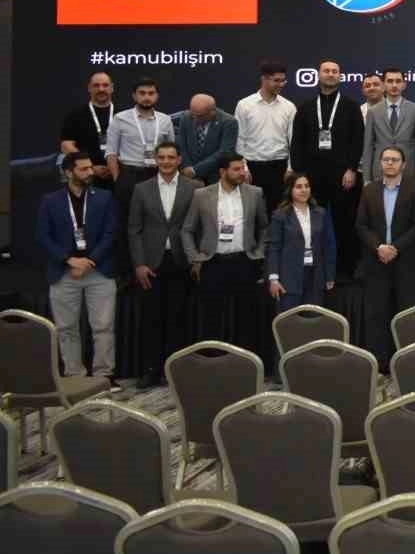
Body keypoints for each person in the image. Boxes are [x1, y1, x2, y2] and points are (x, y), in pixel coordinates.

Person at [38, 152, 119, 378]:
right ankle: (75, 376)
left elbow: (111, 233)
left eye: (90, 167)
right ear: (68, 172)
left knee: (103, 326)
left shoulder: (104, 197)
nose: (90, 172)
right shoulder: (50, 201)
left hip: (99, 270)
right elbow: (43, 237)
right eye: (83, 169)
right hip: (64, 271)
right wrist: (69, 259)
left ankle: (104, 375)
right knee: (66, 328)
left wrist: (89, 261)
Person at [181, 151, 269, 349]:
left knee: (246, 319)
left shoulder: (255, 193)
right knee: (211, 320)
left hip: (244, 261)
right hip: (213, 263)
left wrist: (259, 253)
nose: (242, 173)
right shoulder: (202, 194)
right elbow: (187, 229)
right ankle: (213, 361)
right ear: (222, 172)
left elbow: (264, 227)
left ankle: (246, 362)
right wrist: (195, 258)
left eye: (243, 168)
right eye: (236, 169)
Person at [354, 145, 415, 372]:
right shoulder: (369, 190)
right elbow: (361, 225)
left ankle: (407, 364)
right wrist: (379, 247)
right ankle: (380, 365)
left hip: (405, 261)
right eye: (386, 159)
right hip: (376, 261)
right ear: (380, 163)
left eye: (394, 160)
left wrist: (395, 248)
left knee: (406, 314)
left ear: (403, 165)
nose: (389, 163)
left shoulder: (414, 189)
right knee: (376, 314)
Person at [127, 141, 195, 385]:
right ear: (156, 160)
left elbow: (198, 225)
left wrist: (196, 259)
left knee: (179, 318)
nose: (166, 162)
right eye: (162, 157)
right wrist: (139, 264)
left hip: (181, 261)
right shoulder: (141, 189)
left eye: (171, 157)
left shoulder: (194, 187)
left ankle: (175, 371)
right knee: (151, 318)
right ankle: (150, 369)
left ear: (179, 160)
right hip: (151, 264)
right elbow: (134, 230)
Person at [289, 60, 363, 278]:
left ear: (340, 76)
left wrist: (351, 169)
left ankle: (345, 270)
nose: (331, 74)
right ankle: (314, 269)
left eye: (335, 71)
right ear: (319, 75)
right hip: (312, 178)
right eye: (326, 71)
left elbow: (358, 141)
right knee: (312, 226)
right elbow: (297, 143)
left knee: (345, 224)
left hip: (343, 177)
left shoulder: (351, 107)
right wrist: (300, 175)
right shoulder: (305, 107)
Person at [105, 77, 174, 227]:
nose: (146, 97)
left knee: (156, 222)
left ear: (157, 96)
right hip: (129, 175)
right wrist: (118, 180)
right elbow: (111, 153)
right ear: (134, 96)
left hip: (157, 174)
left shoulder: (165, 120)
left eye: (151, 93)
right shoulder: (120, 118)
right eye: (142, 93)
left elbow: (172, 151)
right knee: (128, 222)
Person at [265, 171, 337, 315]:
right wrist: (273, 279)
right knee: (289, 322)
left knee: (313, 321)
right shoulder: (280, 215)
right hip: (289, 277)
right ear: (290, 190)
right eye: (298, 187)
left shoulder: (321, 213)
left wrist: (330, 275)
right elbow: (273, 248)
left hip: (315, 276)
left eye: (306, 186)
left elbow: (329, 246)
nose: (304, 190)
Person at [234, 61, 296, 213]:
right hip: (252, 167)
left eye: (283, 80)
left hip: (280, 168)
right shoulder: (244, 105)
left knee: (278, 213)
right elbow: (240, 139)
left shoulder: (289, 107)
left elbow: (293, 140)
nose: (281, 84)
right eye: (276, 80)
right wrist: (243, 168)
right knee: (252, 213)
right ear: (264, 79)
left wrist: (290, 168)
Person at [362, 68, 415, 180]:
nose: (394, 85)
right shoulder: (373, 112)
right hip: (380, 171)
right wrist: (366, 178)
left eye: (398, 81)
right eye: (390, 81)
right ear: (383, 85)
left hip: (409, 171)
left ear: (404, 84)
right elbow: (368, 147)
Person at [59, 71, 117, 184]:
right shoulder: (75, 116)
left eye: (105, 85)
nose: (101, 89)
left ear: (112, 88)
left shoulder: (124, 115)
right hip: (86, 176)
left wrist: (115, 167)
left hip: (118, 175)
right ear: (89, 88)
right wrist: (90, 167)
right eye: (96, 85)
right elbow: (66, 146)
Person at [173, 93, 237, 184]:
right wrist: (187, 168)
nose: (194, 119)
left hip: (215, 176)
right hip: (188, 175)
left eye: (199, 116)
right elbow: (182, 145)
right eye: (192, 114)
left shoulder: (229, 122)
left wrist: (195, 170)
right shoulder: (186, 117)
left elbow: (225, 152)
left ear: (213, 112)